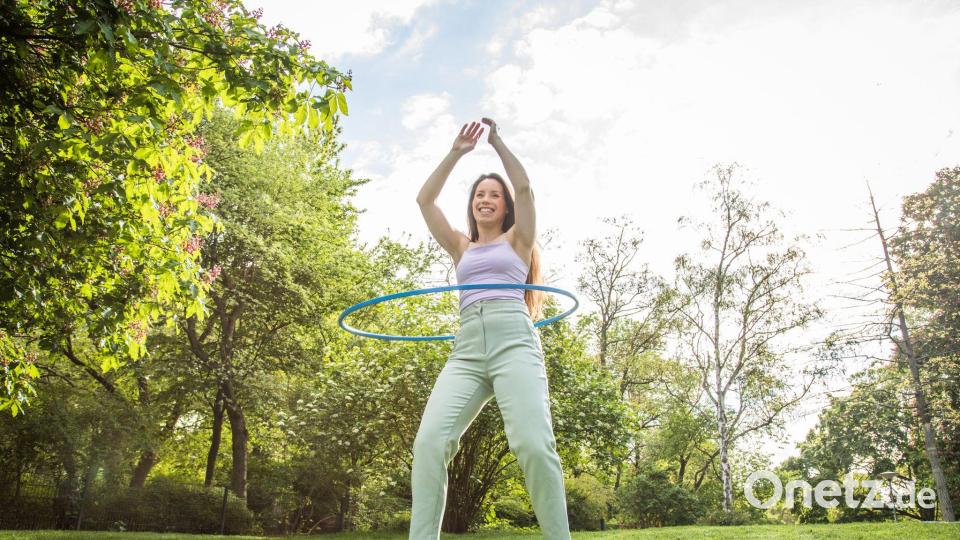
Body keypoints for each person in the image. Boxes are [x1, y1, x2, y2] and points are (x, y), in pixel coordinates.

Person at [411, 118, 571, 539]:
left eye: (493, 196)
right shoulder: (460, 246)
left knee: (534, 447)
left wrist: (497, 142)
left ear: (504, 207)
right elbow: (425, 201)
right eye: (480, 194)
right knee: (429, 444)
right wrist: (457, 152)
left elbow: (525, 189)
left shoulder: (519, 239)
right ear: (473, 204)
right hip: (466, 351)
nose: (486, 200)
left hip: (513, 343)